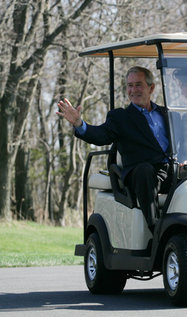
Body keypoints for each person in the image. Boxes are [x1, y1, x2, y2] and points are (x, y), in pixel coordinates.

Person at [57, 66, 170, 232]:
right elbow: (100, 135)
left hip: (169, 171)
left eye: (138, 85)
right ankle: (156, 229)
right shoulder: (120, 117)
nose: (133, 90)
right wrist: (79, 124)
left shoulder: (166, 113)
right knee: (145, 171)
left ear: (151, 88)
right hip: (141, 174)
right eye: (130, 86)